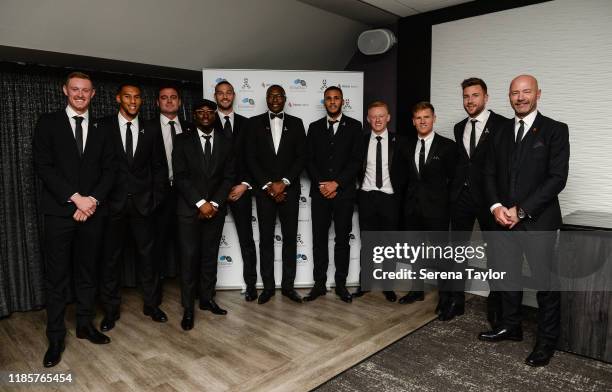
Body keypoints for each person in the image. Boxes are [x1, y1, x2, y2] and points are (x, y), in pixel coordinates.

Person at [479, 75, 569, 367]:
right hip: (502, 220)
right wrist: (495, 207)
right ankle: (511, 326)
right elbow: (489, 172)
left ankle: (546, 341)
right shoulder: (500, 130)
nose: (520, 97)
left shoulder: (555, 130)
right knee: (507, 277)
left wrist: (520, 210)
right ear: (508, 96)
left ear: (538, 94)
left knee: (545, 284)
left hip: (537, 221)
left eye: (526, 92)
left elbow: (557, 179)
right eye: (515, 93)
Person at [33, 72, 114, 367]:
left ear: (93, 94)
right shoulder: (48, 122)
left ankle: (84, 325)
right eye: (75, 89)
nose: (80, 94)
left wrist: (91, 200)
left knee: (87, 272)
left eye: (86, 90)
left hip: (92, 212)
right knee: (56, 278)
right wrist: (75, 198)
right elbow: (43, 166)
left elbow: (111, 170)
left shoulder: (102, 128)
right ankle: (55, 337)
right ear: (65, 90)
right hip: (59, 212)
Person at [98, 82, 168, 332]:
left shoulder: (151, 128)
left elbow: (160, 167)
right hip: (112, 206)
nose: (133, 101)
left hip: (143, 206)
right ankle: (110, 311)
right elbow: (96, 166)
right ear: (118, 98)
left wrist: (156, 199)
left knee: (149, 259)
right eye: (128, 96)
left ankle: (152, 305)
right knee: (110, 260)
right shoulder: (103, 126)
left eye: (137, 97)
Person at [449, 78, 508, 324]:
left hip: (490, 200)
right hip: (462, 198)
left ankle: (496, 308)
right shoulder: (458, 126)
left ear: (486, 97)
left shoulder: (503, 125)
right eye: (466, 96)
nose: (470, 100)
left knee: (495, 254)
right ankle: (456, 302)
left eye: (475, 95)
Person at [173, 99, 235, 330]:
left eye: (210, 112)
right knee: (189, 260)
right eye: (201, 112)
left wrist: (215, 203)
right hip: (189, 211)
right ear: (194, 115)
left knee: (210, 257)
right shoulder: (182, 140)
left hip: (215, 211)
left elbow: (229, 176)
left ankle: (208, 300)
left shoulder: (226, 141)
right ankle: (188, 308)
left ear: (215, 115)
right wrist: (201, 203)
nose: (206, 115)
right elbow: (180, 176)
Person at [245, 85, 306, 305]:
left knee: (290, 239)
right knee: (266, 240)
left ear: (285, 99)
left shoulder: (297, 124)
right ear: (267, 99)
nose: (275, 99)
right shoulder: (253, 123)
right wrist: (269, 185)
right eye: (271, 96)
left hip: (289, 191)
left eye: (279, 96)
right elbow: (250, 158)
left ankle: (288, 287)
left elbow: (301, 157)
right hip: (265, 193)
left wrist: (284, 183)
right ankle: (268, 287)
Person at [395, 102, 457, 310]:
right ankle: (416, 290)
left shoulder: (448, 147)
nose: (422, 121)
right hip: (413, 209)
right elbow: (404, 178)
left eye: (426, 117)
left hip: (437, 211)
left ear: (434, 118)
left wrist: (445, 204)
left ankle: (445, 298)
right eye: (418, 118)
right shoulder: (405, 146)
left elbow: (455, 180)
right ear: (413, 121)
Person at [304, 86, 362, 303]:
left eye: (336, 98)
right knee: (319, 240)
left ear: (342, 101)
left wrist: (336, 183)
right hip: (320, 194)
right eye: (329, 98)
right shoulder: (314, 127)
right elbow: (308, 160)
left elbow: (356, 161)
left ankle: (340, 284)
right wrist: (322, 184)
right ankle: (318, 284)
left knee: (342, 242)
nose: (332, 101)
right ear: (324, 102)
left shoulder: (355, 127)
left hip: (344, 194)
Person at [146, 85, 195, 305]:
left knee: (189, 249)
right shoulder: (146, 128)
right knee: (157, 250)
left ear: (180, 102)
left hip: (186, 197)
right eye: (164, 98)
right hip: (158, 198)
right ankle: (154, 300)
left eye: (173, 97)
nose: (169, 101)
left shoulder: (191, 128)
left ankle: (191, 298)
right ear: (157, 102)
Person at [212, 80, 259, 302]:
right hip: (215, 192)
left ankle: (251, 285)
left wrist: (245, 184)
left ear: (234, 95)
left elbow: (254, 158)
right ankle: (207, 290)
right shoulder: (207, 121)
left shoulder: (247, 124)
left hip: (241, 189)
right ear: (215, 96)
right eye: (220, 93)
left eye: (228, 93)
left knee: (246, 240)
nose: (224, 96)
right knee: (210, 241)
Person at [353, 101, 399, 302]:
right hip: (367, 197)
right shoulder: (361, 142)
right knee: (368, 244)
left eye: (381, 115)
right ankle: (366, 283)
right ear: (368, 119)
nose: (378, 119)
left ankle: (388, 286)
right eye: (373, 116)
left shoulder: (400, 141)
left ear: (388, 117)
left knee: (389, 245)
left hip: (390, 198)